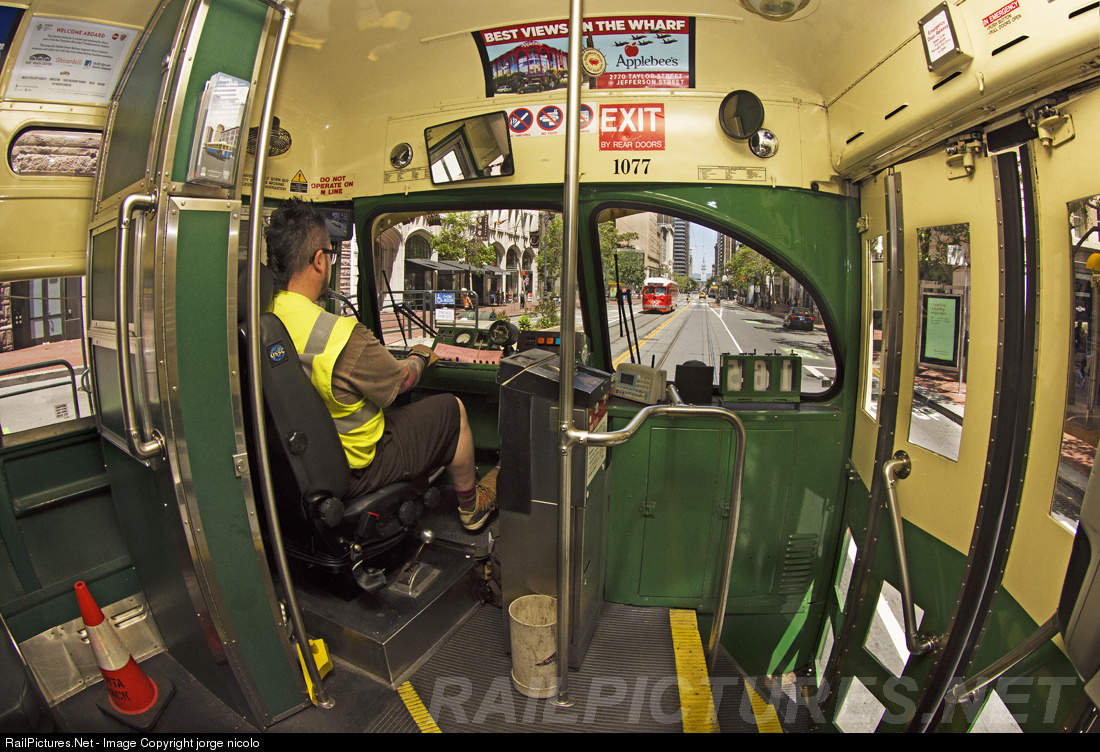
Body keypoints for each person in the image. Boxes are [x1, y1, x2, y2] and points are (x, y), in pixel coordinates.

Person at [264, 199, 496, 531]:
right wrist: (420, 356)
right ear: (319, 260)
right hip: (357, 466)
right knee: (452, 410)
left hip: (299, 463)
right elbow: (400, 381)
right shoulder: (338, 334)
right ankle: (472, 510)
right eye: (329, 254)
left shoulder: (263, 319)